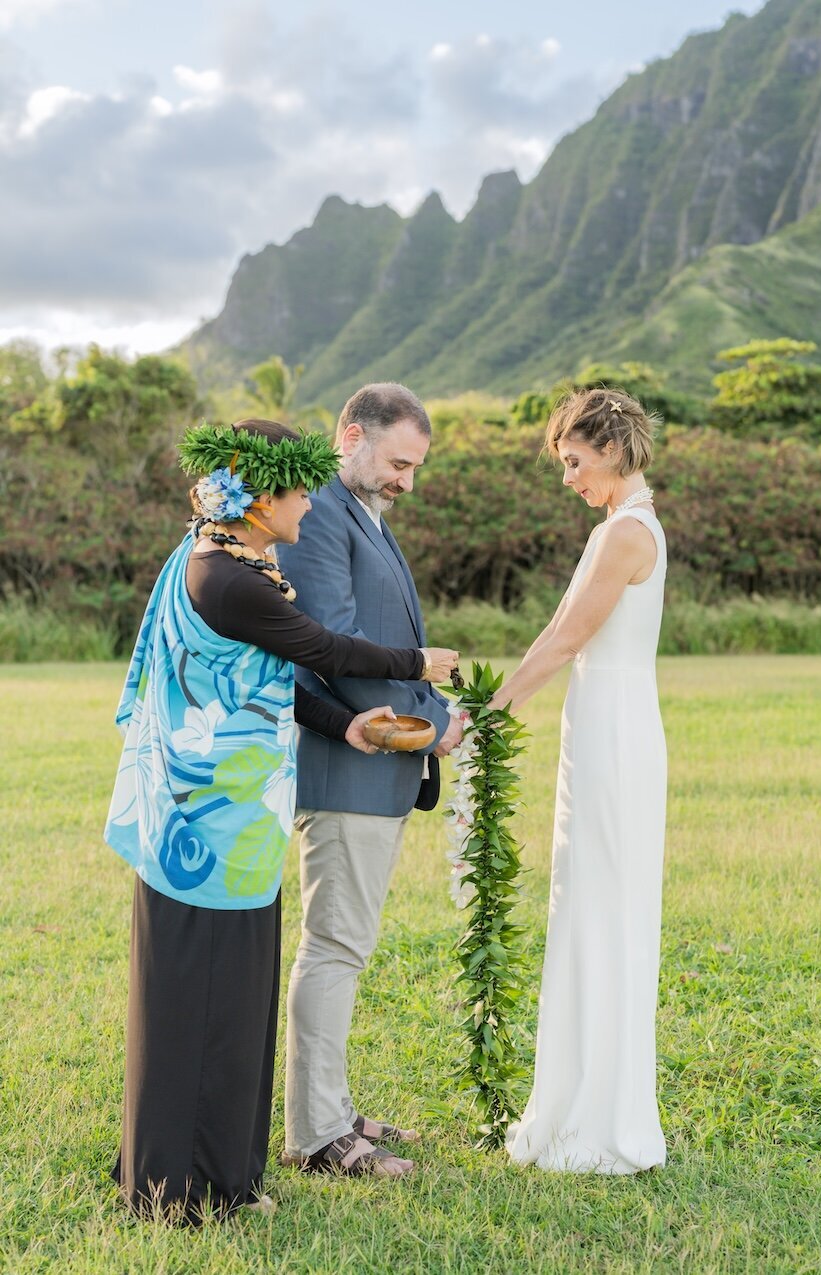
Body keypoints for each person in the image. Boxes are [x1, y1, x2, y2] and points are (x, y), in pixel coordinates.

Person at [104, 417, 459, 1220]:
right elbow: (321, 649)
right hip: (206, 830)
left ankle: (216, 1181)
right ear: (261, 500)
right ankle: (176, 1195)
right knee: (198, 1007)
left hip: (227, 825)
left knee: (228, 1006)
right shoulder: (226, 578)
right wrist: (417, 664)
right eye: (300, 492)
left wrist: (345, 725)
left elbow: (271, 683)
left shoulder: (220, 559)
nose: (309, 506)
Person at [279, 383, 463, 1178]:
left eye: (415, 467)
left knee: (345, 946)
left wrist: (434, 707)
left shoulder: (362, 510)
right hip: (346, 766)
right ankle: (319, 1135)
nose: (406, 481)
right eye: (399, 462)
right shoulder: (319, 512)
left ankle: (333, 1106)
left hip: (375, 767)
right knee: (333, 947)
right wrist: (431, 719)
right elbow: (335, 647)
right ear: (351, 436)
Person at [492, 388, 668, 1175]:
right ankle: (577, 1099)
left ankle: (602, 1116)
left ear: (611, 449)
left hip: (617, 734)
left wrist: (491, 712)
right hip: (599, 724)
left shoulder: (627, 532)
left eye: (573, 461)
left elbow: (566, 639)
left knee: (604, 904)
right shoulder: (618, 525)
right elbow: (560, 636)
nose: (568, 478)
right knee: (587, 900)